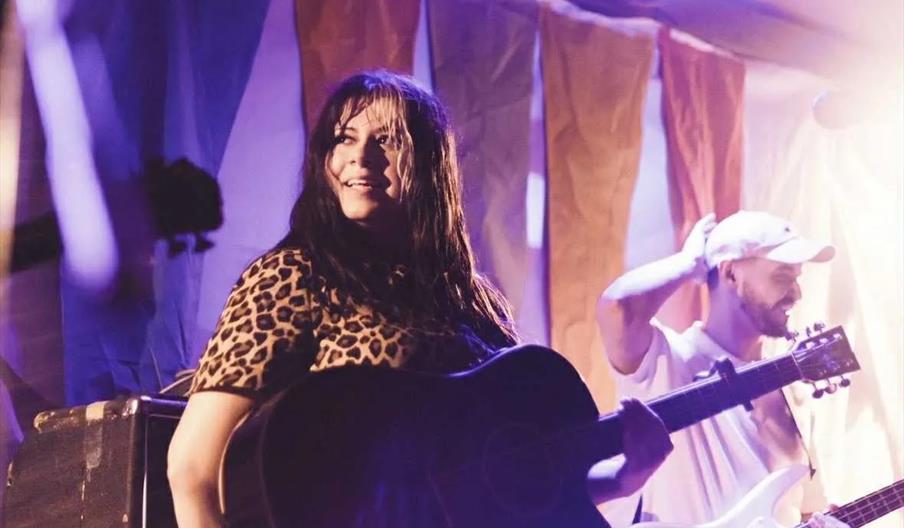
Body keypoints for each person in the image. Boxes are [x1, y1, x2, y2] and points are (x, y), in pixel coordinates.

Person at [166, 70, 673, 527]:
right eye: (345, 138)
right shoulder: (295, 274)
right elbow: (192, 470)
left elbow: (504, 491)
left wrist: (624, 476)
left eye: (386, 139)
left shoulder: (475, 301)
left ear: (429, 164)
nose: (360, 156)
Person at [597, 210, 849, 527]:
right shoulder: (668, 360)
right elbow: (618, 308)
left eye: (797, 278)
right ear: (730, 274)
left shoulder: (796, 392)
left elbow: (804, 511)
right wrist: (688, 263)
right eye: (782, 277)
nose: (796, 293)